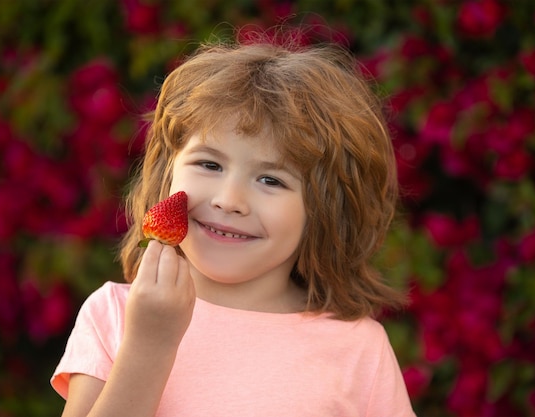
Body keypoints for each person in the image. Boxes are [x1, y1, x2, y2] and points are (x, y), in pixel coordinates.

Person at [51, 28, 416, 417]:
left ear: (324, 210)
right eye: (209, 164)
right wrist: (149, 345)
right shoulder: (115, 315)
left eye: (271, 180)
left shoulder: (359, 348)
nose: (229, 200)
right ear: (167, 173)